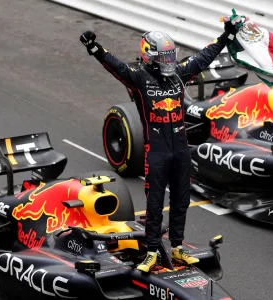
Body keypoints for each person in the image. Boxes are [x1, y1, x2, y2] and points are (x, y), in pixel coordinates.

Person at [80, 19, 239, 272]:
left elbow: (204, 57)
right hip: (156, 153)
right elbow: (116, 66)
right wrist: (95, 48)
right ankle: (151, 252)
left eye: (170, 57)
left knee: (181, 201)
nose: (169, 62)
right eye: (164, 58)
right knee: (154, 205)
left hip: (181, 152)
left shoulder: (179, 73)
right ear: (150, 57)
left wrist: (226, 36)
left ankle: (177, 248)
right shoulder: (138, 78)